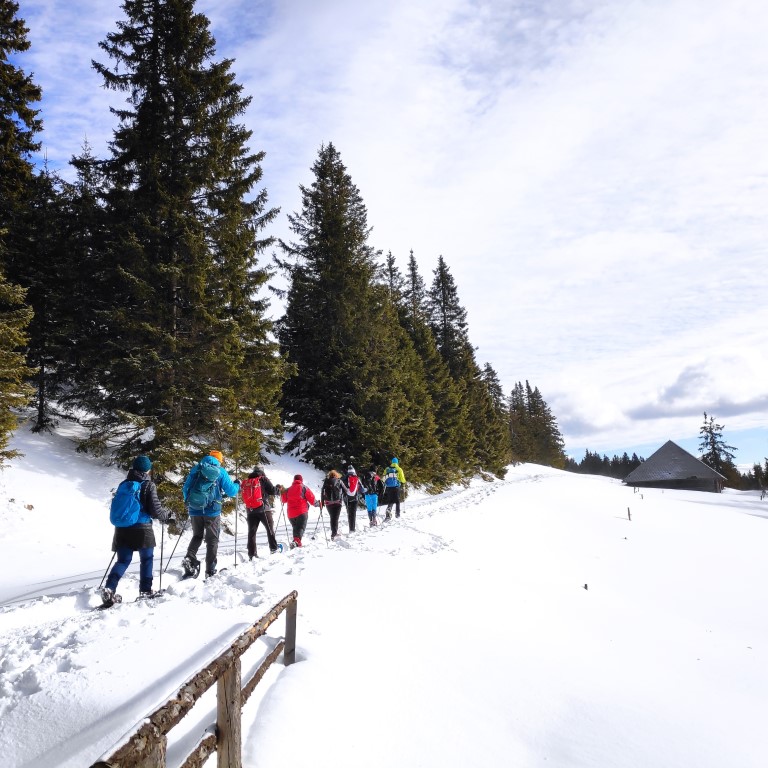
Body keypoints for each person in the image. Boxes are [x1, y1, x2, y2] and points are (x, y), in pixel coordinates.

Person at [102, 455, 173, 606]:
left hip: (122, 528)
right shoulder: (148, 485)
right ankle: (146, 591)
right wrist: (167, 514)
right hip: (142, 529)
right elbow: (155, 511)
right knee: (146, 560)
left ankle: (109, 588)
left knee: (122, 560)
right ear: (147, 469)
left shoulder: (124, 484)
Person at [181, 449, 240, 578]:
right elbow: (231, 492)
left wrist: (190, 502)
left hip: (195, 509)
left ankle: (189, 558)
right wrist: (237, 485)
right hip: (212, 511)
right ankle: (210, 570)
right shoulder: (220, 472)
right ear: (219, 460)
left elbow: (185, 488)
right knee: (212, 540)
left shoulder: (197, 468)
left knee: (197, 536)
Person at [243, 465, 278, 559]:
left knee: (252, 532)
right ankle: (274, 549)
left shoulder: (248, 481)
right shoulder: (263, 479)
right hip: (263, 509)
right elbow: (272, 491)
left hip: (250, 510)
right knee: (269, 529)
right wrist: (278, 489)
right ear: (262, 471)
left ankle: (252, 554)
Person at [280, 474, 317, 547]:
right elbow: (312, 500)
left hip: (291, 514)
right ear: (301, 480)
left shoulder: (288, 489)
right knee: (300, 527)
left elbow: (283, 500)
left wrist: (282, 492)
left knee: (295, 528)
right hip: (301, 512)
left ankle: (295, 542)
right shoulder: (304, 488)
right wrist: (318, 504)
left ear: (294, 480)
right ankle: (297, 542)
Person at [321, 469, 344, 539]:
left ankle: (334, 532)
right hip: (337, 502)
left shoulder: (326, 481)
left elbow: (322, 492)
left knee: (332, 517)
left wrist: (322, 502)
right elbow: (345, 490)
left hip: (328, 503)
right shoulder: (339, 481)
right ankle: (334, 533)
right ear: (336, 475)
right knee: (335, 518)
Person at [341, 465, 366, 533]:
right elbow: (362, 489)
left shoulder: (343, 479)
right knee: (353, 513)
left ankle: (350, 528)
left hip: (346, 498)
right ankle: (352, 529)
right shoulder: (356, 478)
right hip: (355, 498)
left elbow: (340, 488)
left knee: (349, 513)